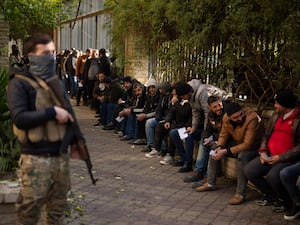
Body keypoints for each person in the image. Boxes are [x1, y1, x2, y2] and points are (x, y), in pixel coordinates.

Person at [6, 34, 78, 225]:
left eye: (53, 52)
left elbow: (69, 118)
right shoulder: (19, 83)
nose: (52, 57)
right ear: (31, 55)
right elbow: (20, 118)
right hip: (35, 160)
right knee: (28, 216)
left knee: (57, 214)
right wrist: (52, 112)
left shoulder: (56, 82)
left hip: (60, 159)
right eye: (45, 53)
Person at [195, 102, 264, 205]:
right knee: (214, 149)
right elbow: (223, 135)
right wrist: (219, 147)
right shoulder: (226, 118)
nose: (240, 118)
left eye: (241, 114)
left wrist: (226, 151)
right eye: (235, 117)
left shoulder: (251, 118)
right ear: (230, 117)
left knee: (242, 156)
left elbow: (247, 144)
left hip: (253, 147)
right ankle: (210, 183)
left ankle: (240, 194)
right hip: (238, 143)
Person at [244, 89, 299, 213]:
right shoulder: (276, 116)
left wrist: (281, 157)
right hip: (269, 154)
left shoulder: (297, 120)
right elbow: (266, 135)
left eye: (277, 103)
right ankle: (271, 196)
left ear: (286, 105)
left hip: (286, 158)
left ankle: (285, 200)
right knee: (249, 170)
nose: (274, 106)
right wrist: (263, 151)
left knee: (273, 176)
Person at [184, 96, 225, 183]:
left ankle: (208, 177)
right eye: (215, 107)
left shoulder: (226, 112)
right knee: (204, 140)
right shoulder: (211, 114)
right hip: (218, 136)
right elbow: (208, 129)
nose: (218, 108)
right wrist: (206, 138)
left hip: (226, 139)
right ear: (209, 107)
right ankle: (199, 171)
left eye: (219, 105)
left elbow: (227, 133)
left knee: (214, 147)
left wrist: (217, 141)